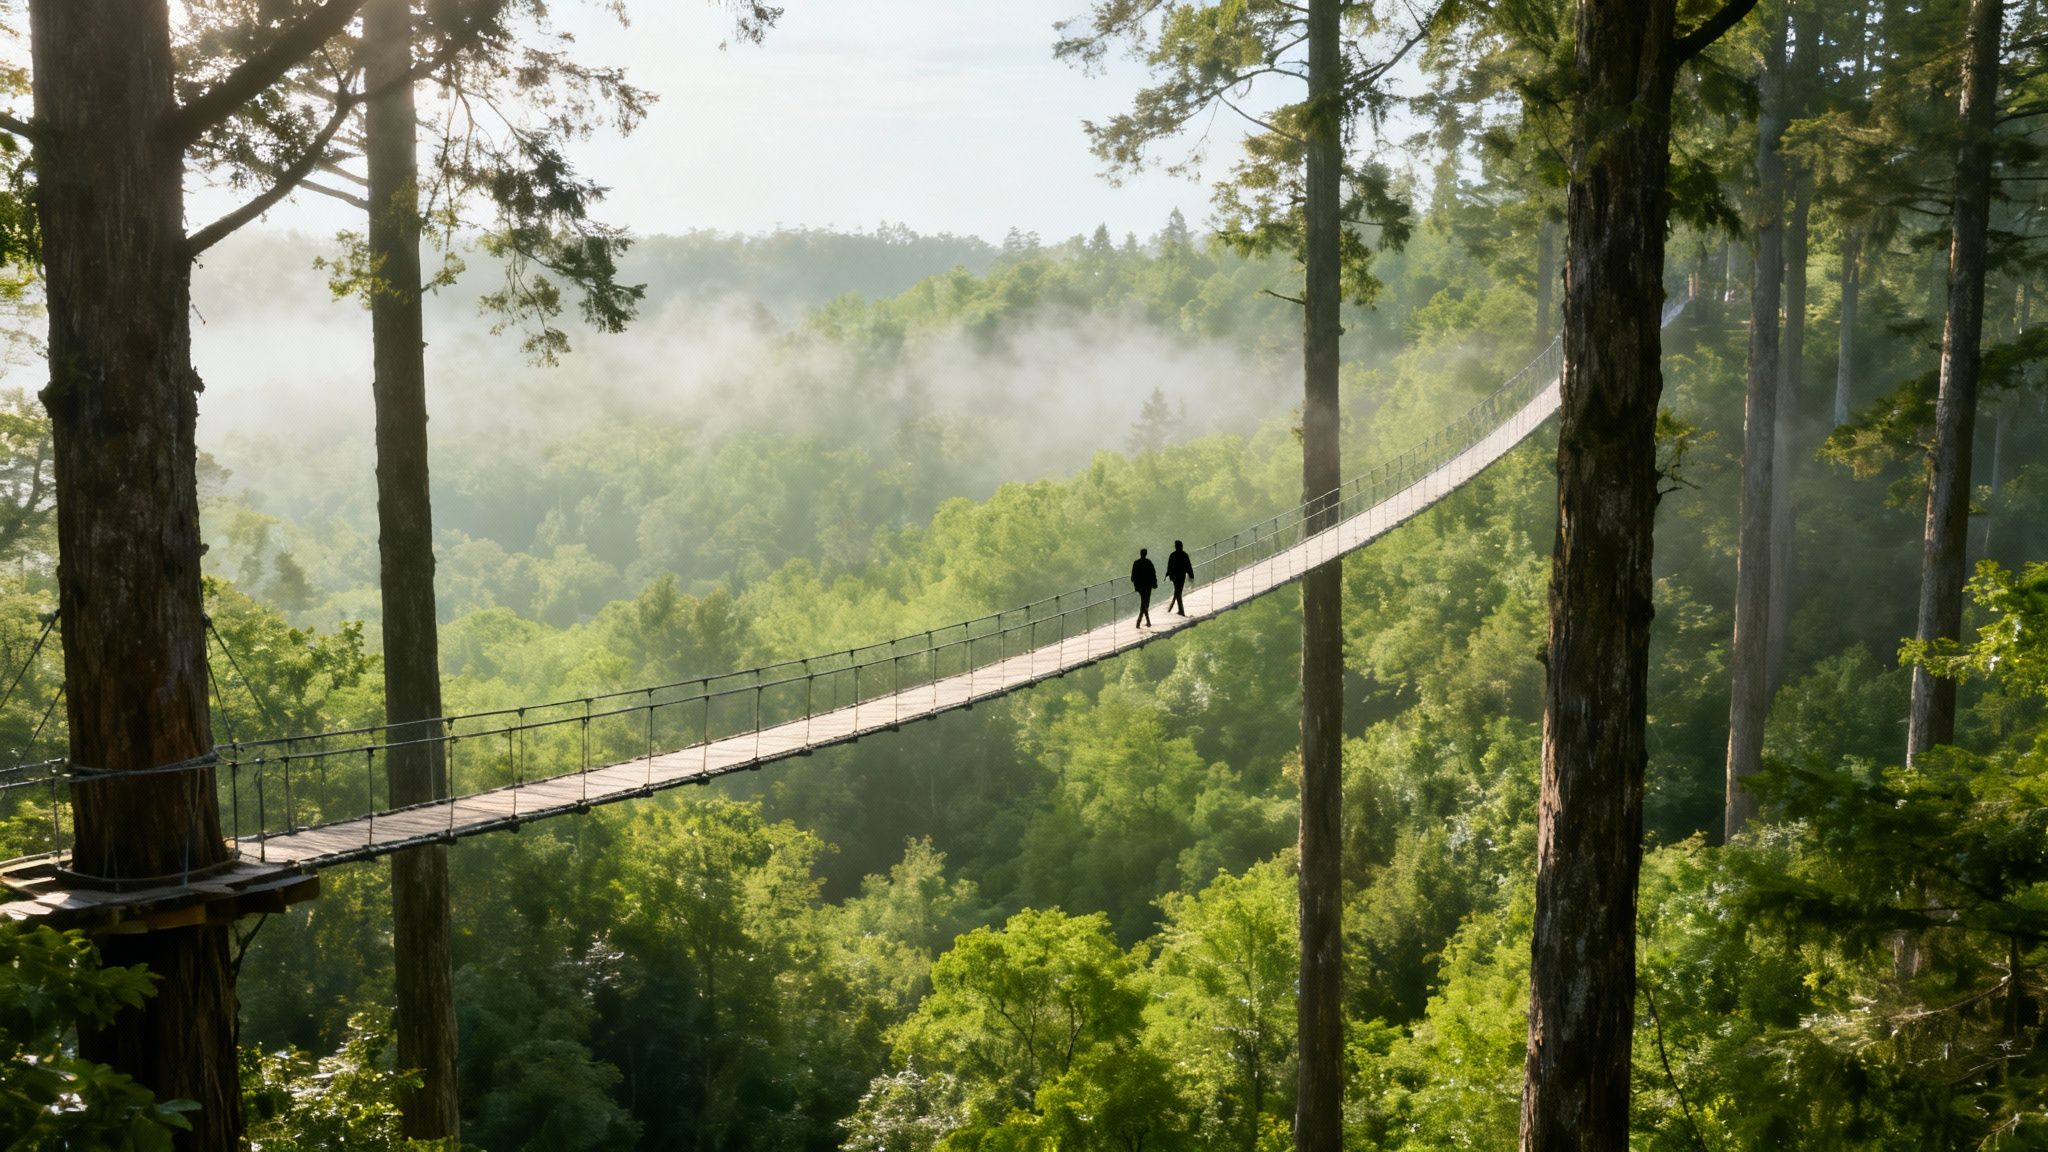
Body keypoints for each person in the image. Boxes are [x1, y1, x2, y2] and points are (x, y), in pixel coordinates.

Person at [1130, 547, 1158, 627]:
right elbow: (1153, 573)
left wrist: (1135, 582)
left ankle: (1139, 621)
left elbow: (1133, 576)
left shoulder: (1136, 563)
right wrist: (1154, 583)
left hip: (1139, 586)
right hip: (1148, 585)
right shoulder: (1148, 562)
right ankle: (1145, 621)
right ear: (1146, 554)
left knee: (1144, 602)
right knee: (1146, 602)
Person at [1166, 540, 1192, 616]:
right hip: (1181, 576)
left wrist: (1168, 575)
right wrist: (1191, 575)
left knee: (1177, 592)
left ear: (1175, 546)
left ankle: (1177, 610)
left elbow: (1169, 566)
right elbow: (1188, 566)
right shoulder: (1184, 555)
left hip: (1174, 577)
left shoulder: (1172, 555)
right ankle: (1180, 610)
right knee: (1178, 592)